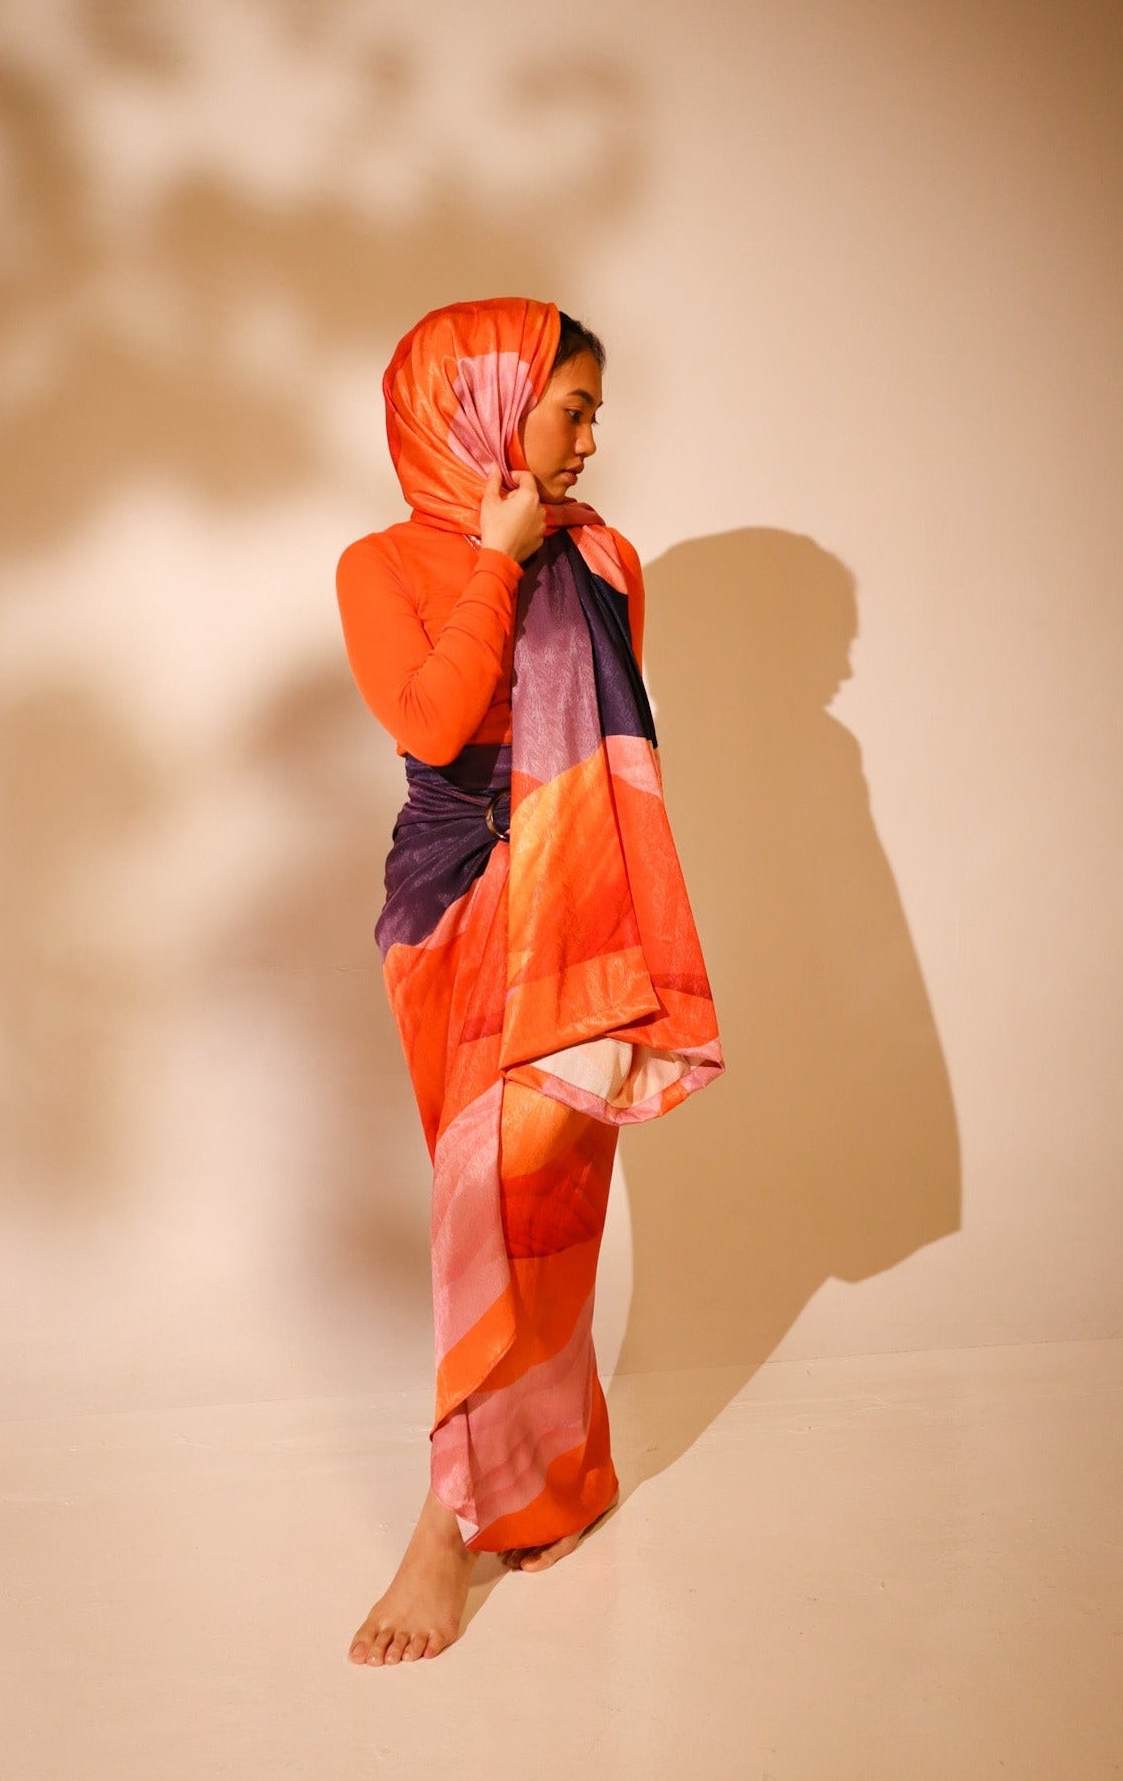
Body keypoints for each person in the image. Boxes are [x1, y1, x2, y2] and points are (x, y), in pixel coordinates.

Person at [334, 296, 723, 1666]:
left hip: (575, 899)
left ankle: (517, 1494)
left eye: (595, 411)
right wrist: (496, 561)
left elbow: (603, 754)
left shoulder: (605, 558)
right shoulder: (381, 564)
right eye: (573, 408)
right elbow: (436, 721)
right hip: (448, 909)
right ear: (488, 407)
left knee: (546, 1203)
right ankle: (493, 1500)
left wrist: (584, 897)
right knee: (480, 1208)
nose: (591, 438)